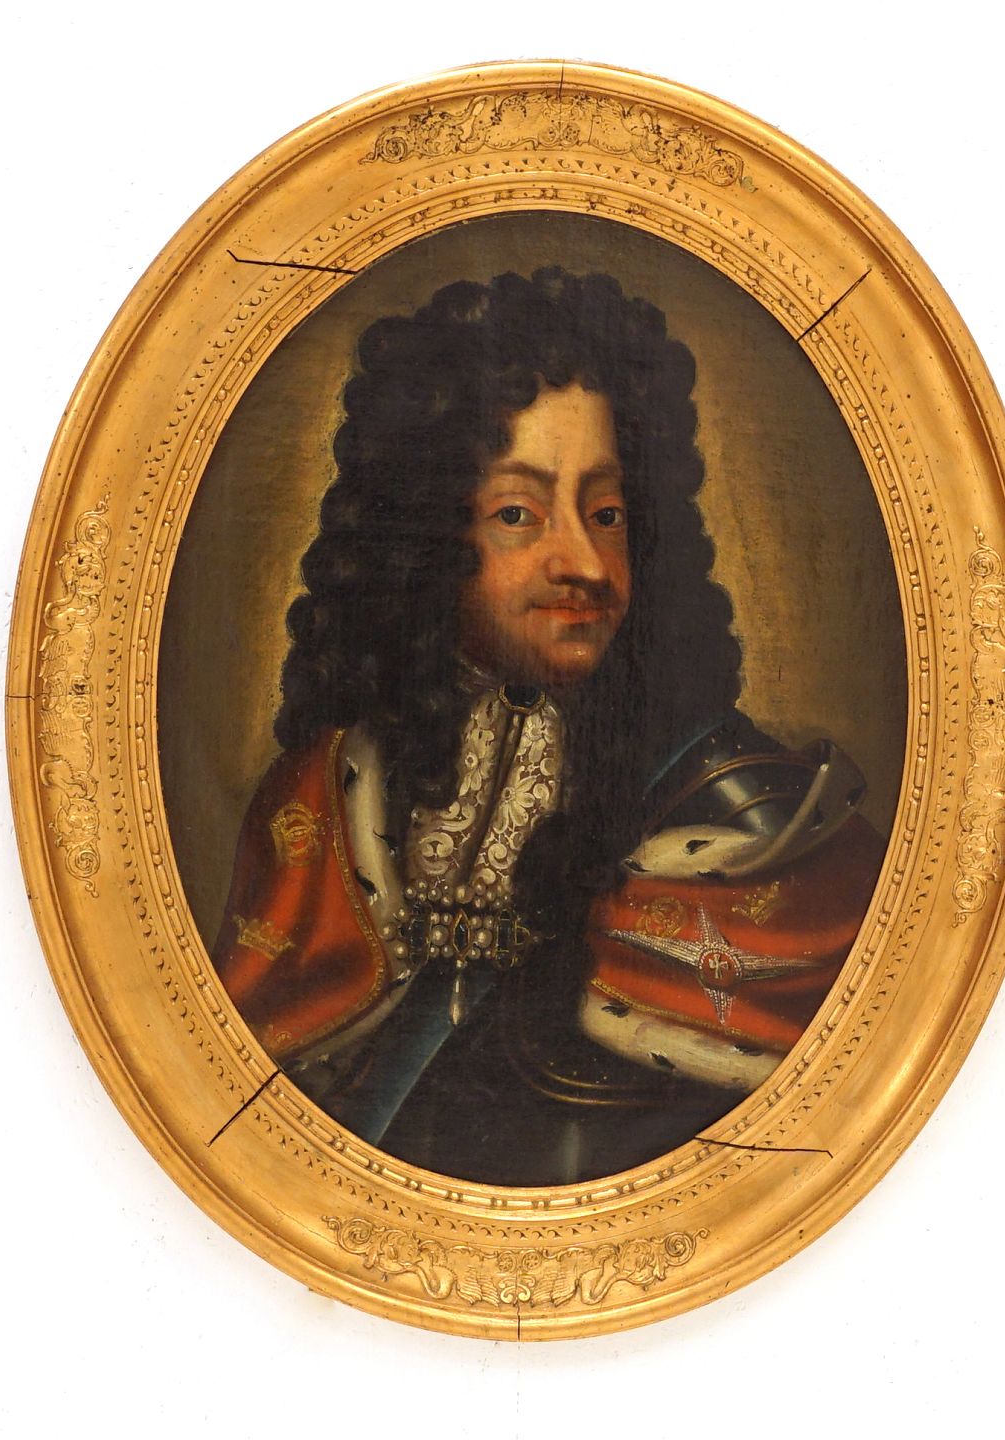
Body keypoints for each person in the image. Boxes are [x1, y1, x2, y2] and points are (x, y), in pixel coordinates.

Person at [212, 268, 884, 1185]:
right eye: (519, 514)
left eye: (606, 515)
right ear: (425, 540)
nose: (585, 563)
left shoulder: (748, 821)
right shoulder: (326, 795)